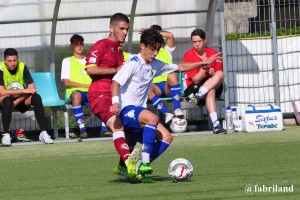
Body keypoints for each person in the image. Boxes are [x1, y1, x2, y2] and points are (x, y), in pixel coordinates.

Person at [110, 28, 222, 179]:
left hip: (139, 112)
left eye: (157, 49)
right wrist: (115, 102)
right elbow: (115, 81)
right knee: (153, 118)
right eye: (152, 49)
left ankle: (134, 166)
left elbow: (180, 67)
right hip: (127, 110)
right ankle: (145, 163)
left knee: (167, 137)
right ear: (142, 46)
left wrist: (204, 62)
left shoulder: (155, 64)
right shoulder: (133, 63)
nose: (155, 53)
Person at [85, 13, 141, 182]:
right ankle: (130, 164)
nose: (125, 32)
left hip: (116, 96)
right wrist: (116, 70)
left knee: (131, 132)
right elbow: (91, 70)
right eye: (121, 29)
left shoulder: (119, 52)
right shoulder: (101, 45)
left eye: (127, 29)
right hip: (100, 95)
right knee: (118, 127)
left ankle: (122, 168)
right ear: (111, 28)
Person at [0, 48, 54, 146]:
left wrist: (16, 101)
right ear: (4, 60)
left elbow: (32, 89)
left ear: (18, 59)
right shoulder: (0, 68)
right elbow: (1, 92)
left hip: (20, 99)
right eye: (9, 61)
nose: (12, 63)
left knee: (36, 98)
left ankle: (43, 133)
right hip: (4, 101)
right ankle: (6, 135)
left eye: (14, 60)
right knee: (7, 100)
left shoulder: (22, 66)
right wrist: (23, 90)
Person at [182, 28, 227, 134]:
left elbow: (219, 75)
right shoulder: (188, 56)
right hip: (193, 88)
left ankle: (199, 95)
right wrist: (204, 68)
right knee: (210, 91)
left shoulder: (213, 53)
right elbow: (196, 80)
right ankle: (216, 125)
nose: (197, 44)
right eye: (194, 42)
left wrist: (212, 72)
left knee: (220, 74)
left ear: (204, 40)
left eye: (199, 41)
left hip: (204, 89)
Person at [146, 25, 184, 125]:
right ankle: (167, 114)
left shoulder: (167, 50)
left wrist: (153, 32)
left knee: (172, 75)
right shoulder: (147, 51)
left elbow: (170, 35)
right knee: (148, 88)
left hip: (168, 87)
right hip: (155, 88)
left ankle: (177, 109)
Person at [61, 34, 91, 139]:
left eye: (81, 44)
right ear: (71, 46)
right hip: (76, 93)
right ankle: (82, 129)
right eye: (76, 44)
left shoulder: (90, 60)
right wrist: (86, 85)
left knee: (105, 95)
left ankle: (105, 129)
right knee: (77, 95)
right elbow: (67, 83)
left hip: (91, 92)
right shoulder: (67, 61)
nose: (79, 46)